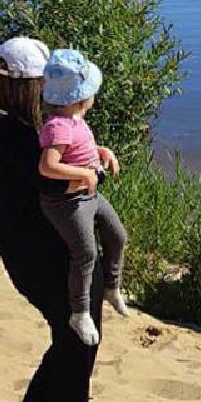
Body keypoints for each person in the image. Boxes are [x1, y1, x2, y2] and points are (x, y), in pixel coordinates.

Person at [0, 37, 117, 402]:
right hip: (44, 255)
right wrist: (93, 174)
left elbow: (44, 171)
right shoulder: (9, 133)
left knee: (68, 340)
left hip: (28, 251)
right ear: (28, 85)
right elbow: (55, 183)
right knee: (78, 343)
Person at [38, 49, 129, 347]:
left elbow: (81, 148)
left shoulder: (74, 120)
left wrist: (103, 153)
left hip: (88, 196)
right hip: (67, 204)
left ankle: (111, 287)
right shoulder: (57, 126)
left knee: (117, 235)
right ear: (81, 96)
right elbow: (48, 165)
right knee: (85, 254)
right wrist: (86, 174)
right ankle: (79, 312)